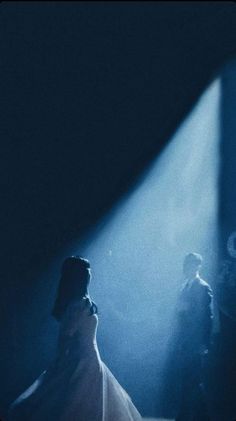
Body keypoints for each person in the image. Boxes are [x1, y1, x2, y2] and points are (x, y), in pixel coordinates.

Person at [8, 256, 142, 421]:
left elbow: (65, 337)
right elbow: (65, 337)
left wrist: (59, 362)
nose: (90, 274)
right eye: (86, 272)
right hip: (81, 359)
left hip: (88, 359)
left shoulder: (82, 303)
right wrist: (60, 361)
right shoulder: (77, 306)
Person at [175, 252, 213, 421]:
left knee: (194, 380)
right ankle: (193, 416)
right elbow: (180, 316)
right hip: (185, 342)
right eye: (186, 264)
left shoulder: (203, 287)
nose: (186, 268)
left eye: (190, 264)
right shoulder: (185, 286)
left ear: (197, 266)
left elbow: (207, 318)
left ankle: (193, 416)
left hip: (195, 343)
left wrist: (204, 344)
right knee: (188, 380)